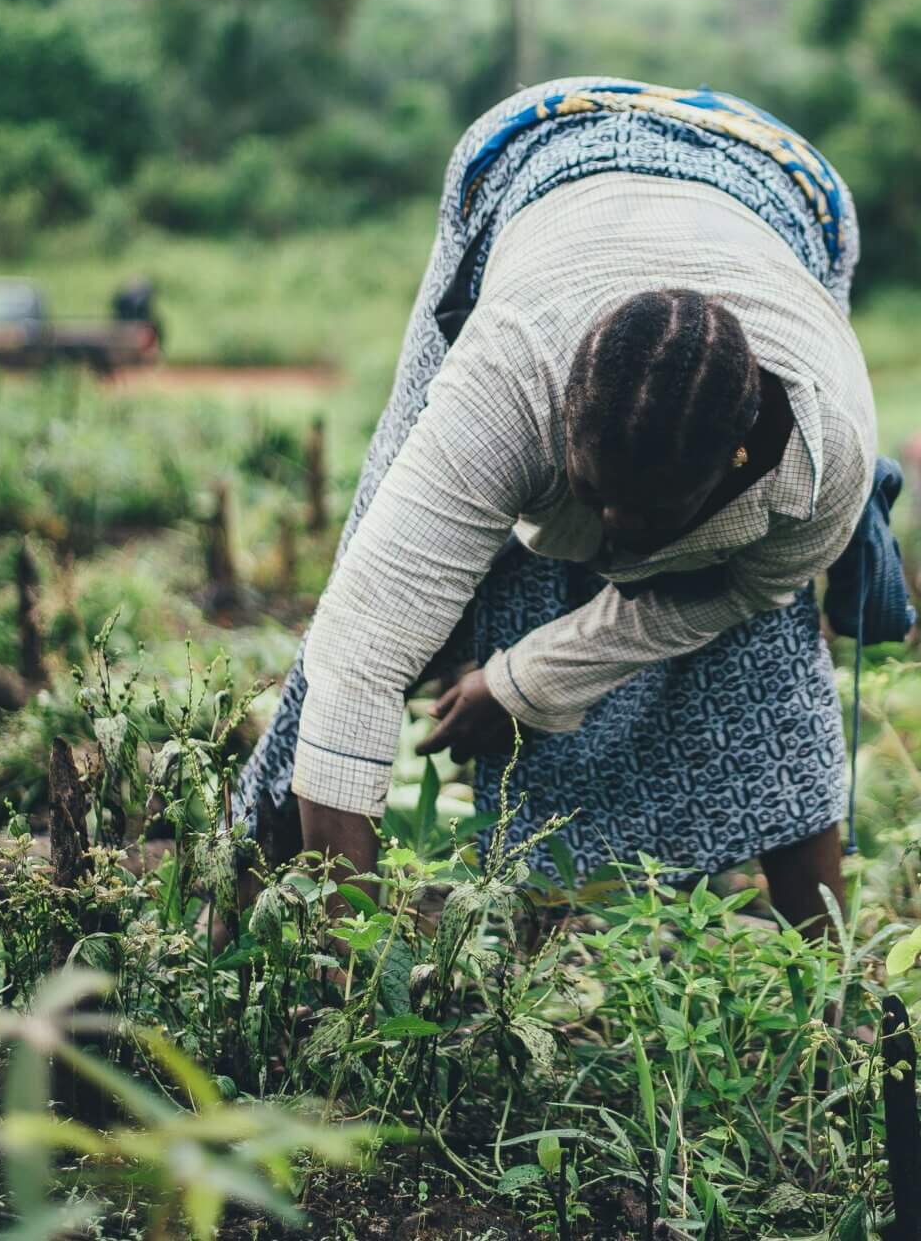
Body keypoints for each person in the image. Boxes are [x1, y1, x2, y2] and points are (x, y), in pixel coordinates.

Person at [234, 77, 882, 933]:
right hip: (540, 154)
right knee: (375, 567)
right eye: (594, 501)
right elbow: (364, 650)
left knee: (767, 655)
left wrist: (526, 683)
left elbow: (730, 596)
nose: (611, 541)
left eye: (644, 524)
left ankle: (823, 989)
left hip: (786, 186)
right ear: (559, 421)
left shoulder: (822, 459)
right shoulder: (508, 378)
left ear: (736, 463)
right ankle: (253, 880)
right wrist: (352, 954)